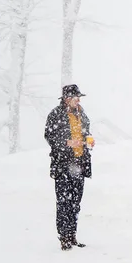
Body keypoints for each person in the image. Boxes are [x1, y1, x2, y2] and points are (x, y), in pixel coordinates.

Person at [44, 84, 95, 251]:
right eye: (75, 97)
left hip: (80, 164)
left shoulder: (82, 114)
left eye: (79, 97)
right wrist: (67, 143)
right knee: (64, 202)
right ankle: (64, 237)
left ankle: (72, 234)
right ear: (67, 99)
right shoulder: (56, 114)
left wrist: (89, 139)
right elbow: (49, 136)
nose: (78, 99)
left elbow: (85, 132)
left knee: (75, 202)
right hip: (63, 165)